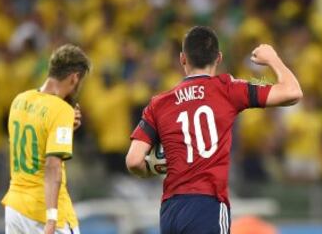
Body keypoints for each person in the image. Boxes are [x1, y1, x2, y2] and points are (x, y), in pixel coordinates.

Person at [126, 26, 303, 234]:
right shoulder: (227, 89)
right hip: (208, 204)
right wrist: (273, 59)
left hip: (171, 210)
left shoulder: (159, 103)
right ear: (218, 58)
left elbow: (134, 160)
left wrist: (154, 168)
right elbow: (292, 92)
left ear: (183, 59)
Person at [1, 44, 90, 234]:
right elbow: (52, 165)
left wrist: (66, 129)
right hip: (43, 213)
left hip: (15, 208)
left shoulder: (19, 100)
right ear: (74, 77)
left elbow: (26, 147)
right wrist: (51, 217)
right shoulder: (61, 109)